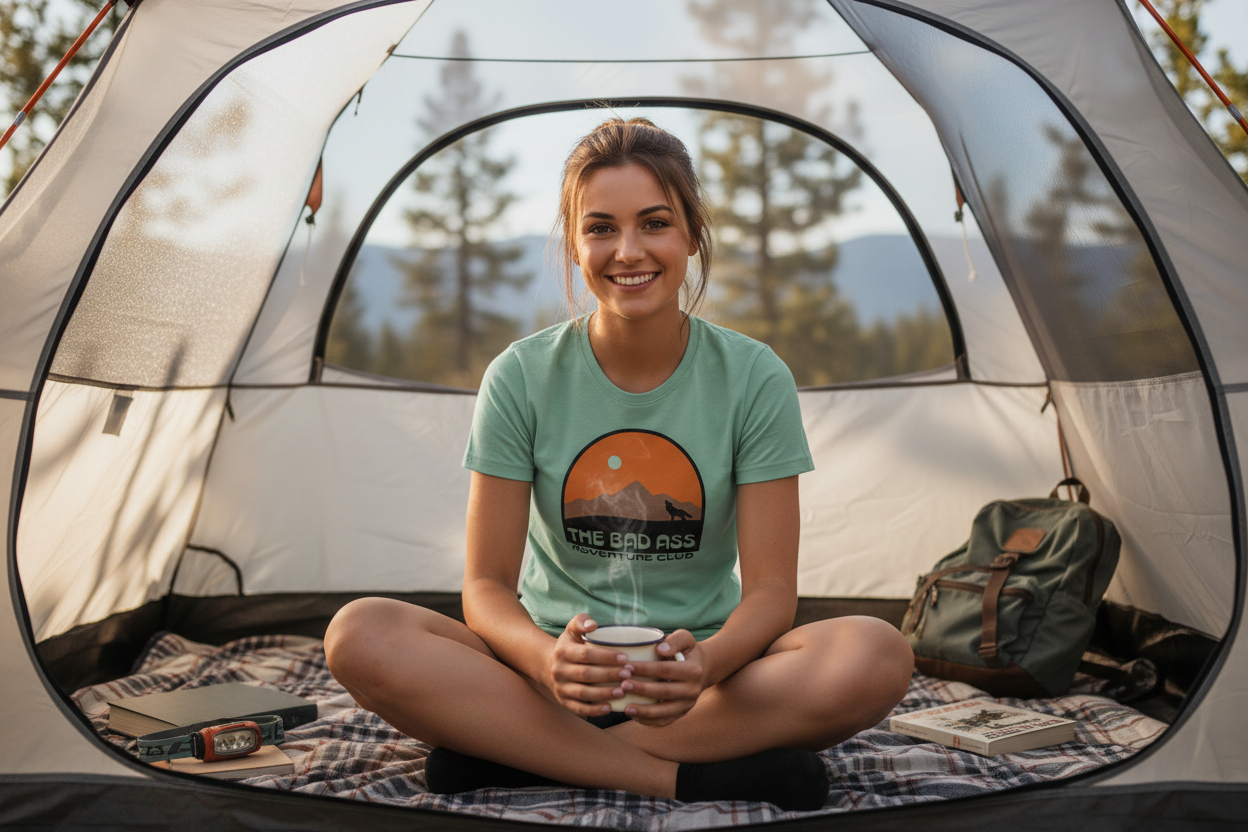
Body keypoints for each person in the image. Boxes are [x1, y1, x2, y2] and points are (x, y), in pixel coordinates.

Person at [324, 117, 913, 812]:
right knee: (359, 634)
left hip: (700, 686)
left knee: (878, 654)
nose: (628, 251)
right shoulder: (520, 376)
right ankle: (677, 775)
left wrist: (707, 665)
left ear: (691, 234)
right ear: (575, 245)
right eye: (601, 228)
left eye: (654, 223)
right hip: (549, 676)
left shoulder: (754, 377)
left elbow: (770, 596)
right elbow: (484, 587)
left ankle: (520, 750)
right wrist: (548, 662)